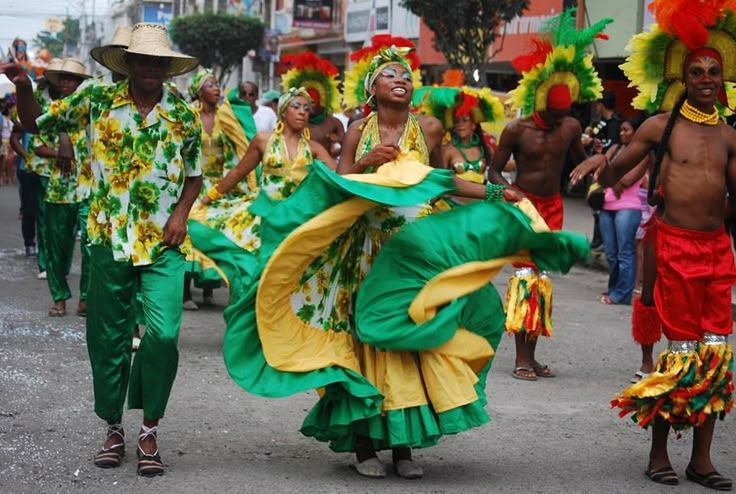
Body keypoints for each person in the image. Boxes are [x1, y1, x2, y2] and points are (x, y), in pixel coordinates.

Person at [220, 34, 587, 482]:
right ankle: (363, 442)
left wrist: (496, 191)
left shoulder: (427, 128)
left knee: (410, 342)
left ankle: (403, 445)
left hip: (413, 253)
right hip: (366, 251)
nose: (401, 80)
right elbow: (339, 184)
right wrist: (367, 161)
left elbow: (439, 182)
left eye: (407, 76)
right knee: (366, 342)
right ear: (372, 88)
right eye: (389, 75)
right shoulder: (359, 130)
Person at [2, 22, 202, 477]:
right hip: (108, 236)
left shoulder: (184, 114)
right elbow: (33, 124)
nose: (151, 68)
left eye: (159, 61)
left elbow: (195, 174)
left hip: (164, 242)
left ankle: (150, 429)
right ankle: (114, 427)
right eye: (143, 59)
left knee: (164, 335)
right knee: (107, 341)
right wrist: (25, 87)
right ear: (128, 63)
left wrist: (180, 215)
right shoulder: (95, 101)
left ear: (167, 69)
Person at [571, 1, 735, 488]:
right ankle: (658, 454)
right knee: (679, 354)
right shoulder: (659, 127)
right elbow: (619, 169)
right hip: (675, 246)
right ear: (682, 78)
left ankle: (702, 461)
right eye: (697, 70)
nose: (706, 77)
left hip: (717, 251)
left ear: (725, 77)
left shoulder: (729, 136)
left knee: (715, 355)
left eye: (714, 70)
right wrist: (596, 167)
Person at [488, 9, 612, 381]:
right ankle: (522, 358)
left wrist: (594, 164)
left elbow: (581, 161)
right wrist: (505, 189)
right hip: (523, 206)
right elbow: (493, 170)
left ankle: (532, 355)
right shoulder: (516, 129)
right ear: (540, 101)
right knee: (525, 279)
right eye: (554, 114)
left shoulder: (571, 126)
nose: (560, 120)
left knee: (541, 283)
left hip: (554, 208)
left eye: (565, 114)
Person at [39, 58, 92, 317]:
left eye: (72, 78)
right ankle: (59, 297)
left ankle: (85, 298)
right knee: (56, 247)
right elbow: (37, 145)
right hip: (60, 188)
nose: (67, 82)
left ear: (81, 83)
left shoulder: (92, 111)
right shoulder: (51, 111)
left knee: (92, 247)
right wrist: (61, 149)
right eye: (63, 78)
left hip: (89, 188)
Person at [593, 116, 649, 306]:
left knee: (625, 252)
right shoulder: (614, 149)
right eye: (621, 130)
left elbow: (629, 179)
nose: (623, 133)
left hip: (629, 207)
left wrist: (612, 179)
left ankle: (621, 294)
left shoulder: (643, 153)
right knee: (611, 253)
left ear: (636, 132)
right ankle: (614, 288)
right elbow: (599, 172)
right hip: (608, 205)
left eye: (627, 130)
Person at [280, 52, 345, 158]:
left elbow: (347, 148)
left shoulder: (334, 123)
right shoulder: (293, 121)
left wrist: (332, 151)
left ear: (323, 101)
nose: (307, 108)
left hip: (324, 167)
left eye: (313, 103)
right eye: (299, 106)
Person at [584, 90, 622, 251]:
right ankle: (598, 239)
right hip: (595, 167)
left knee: (601, 202)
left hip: (605, 170)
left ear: (601, 105)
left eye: (597, 104)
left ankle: (602, 240)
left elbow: (611, 147)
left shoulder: (616, 124)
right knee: (595, 202)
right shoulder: (601, 123)